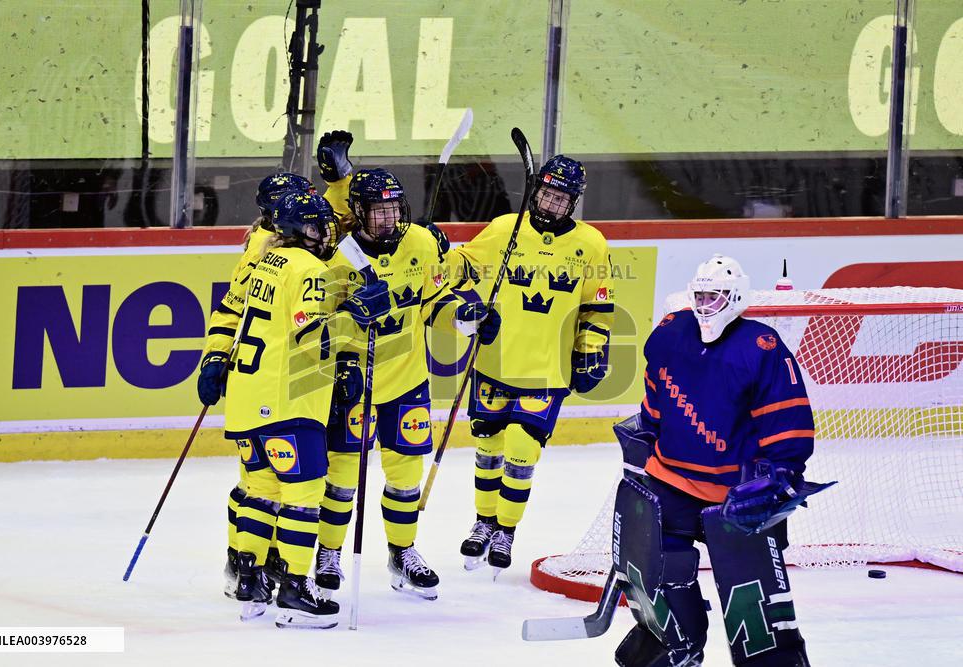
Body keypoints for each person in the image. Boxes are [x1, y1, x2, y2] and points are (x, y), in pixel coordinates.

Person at [310, 132, 500, 601]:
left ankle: (402, 552)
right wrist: (352, 316)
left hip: (408, 384)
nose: (391, 218)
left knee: (405, 478)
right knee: (339, 481)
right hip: (354, 384)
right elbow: (317, 326)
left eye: (396, 209)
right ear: (357, 212)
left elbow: (433, 299)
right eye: (379, 211)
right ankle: (327, 553)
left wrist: (465, 317)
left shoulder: (419, 243)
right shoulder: (336, 257)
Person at [612, 254, 825, 666]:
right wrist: (649, 433)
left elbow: (788, 419)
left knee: (752, 591)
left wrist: (781, 473)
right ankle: (673, 648)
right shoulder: (670, 334)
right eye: (702, 296)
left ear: (737, 296)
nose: (707, 305)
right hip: (669, 483)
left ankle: (771, 660)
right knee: (661, 576)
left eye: (717, 296)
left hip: (734, 498)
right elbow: (656, 398)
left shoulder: (761, 347)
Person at [207, 192, 390, 628]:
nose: (326, 232)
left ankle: (249, 580)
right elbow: (314, 342)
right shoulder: (310, 270)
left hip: (248, 400)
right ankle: (293, 585)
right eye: (316, 226)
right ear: (296, 232)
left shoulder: (263, 263)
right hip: (288, 400)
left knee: (261, 491)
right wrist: (357, 316)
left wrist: (348, 303)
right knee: (304, 497)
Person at [445, 155, 614, 574]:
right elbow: (464, 264)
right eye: (547, 194)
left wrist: (590, 349)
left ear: (573, 202)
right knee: (487, 449)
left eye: (562, 198)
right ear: (536, 190)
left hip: (547, 368)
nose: (552, 204)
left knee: (522, 452)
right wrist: (437, 248)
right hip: (495, 358)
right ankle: (483, 522)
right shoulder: (505, 228)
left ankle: (506, 529)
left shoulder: (591, 243)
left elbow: (598, 305)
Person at [197, 171, 317, 598]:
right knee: (264, 485)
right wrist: (215, 354)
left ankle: (252, 570)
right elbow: (233, 309)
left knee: (261, 483)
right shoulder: (265, 247)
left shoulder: (300, 236)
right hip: (283, 386)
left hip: (271, 387)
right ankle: (247, 564)